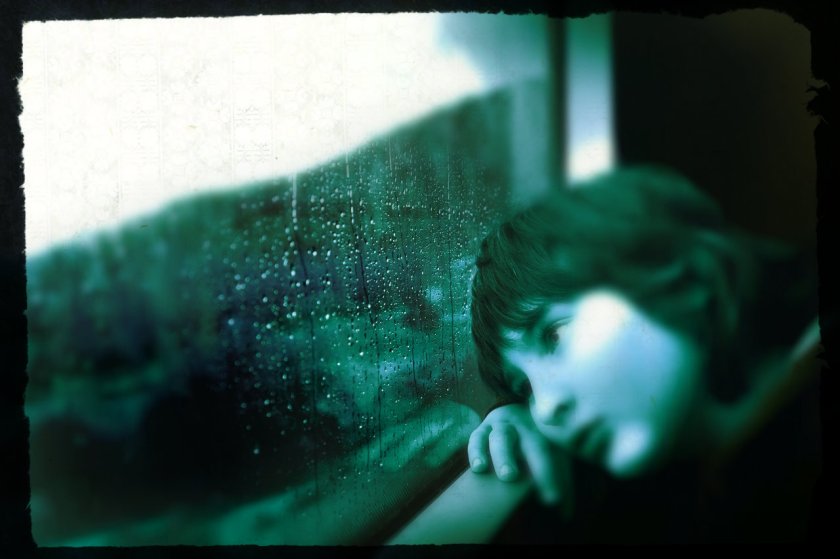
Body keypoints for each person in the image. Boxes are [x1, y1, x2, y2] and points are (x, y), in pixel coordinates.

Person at [466, 166, 822, 542]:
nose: (546, 409)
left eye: (556, 334)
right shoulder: (686, 481)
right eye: (525, 388)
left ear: (666, 266)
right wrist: (510, 414)